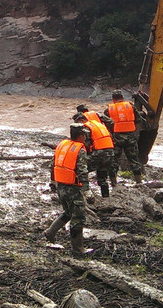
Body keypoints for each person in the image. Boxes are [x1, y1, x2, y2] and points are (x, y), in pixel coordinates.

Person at [43, 123, 91, 258]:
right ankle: (78, 249)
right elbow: (82, 171)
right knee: (78, 217)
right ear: (81, 136)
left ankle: (51, 232)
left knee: (68, 212)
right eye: (85, 135)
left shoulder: (62, 145)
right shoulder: (79, 150)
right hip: (73, 188)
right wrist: (86, 190)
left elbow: (52, 165)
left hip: (61, 185)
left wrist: (53, 182)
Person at [73, 105, 114, 197]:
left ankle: (85, 194)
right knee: (102, 178)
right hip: (110, 153)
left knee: (81, 170)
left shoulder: (86, 128)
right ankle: (106, 197)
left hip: (99, 153)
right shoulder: (98, 124)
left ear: (81, 120)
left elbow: (86, 145)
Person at [105, 90, 142, 184]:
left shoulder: (110, 108)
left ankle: (113, 183)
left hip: (116, 139)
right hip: (130, 137)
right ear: (122, 98)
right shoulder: (130, 106)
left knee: (114, 161)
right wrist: (135, 133)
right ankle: (139, 182)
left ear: (113, 99)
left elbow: (105, 123)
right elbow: (139, 120)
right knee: (134, 160)